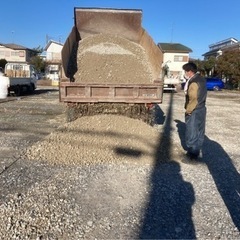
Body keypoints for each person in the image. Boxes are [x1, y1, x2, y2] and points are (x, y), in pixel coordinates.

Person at [182, 62, 207, 162]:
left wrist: (189, 110)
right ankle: (197, 151)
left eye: (186, 71)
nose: (185, 73)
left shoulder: (193, 82)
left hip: (194, 109)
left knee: (191, 132)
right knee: (200, 131)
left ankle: (191, 155)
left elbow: (193, 98)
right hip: (202, 108)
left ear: (190, 71)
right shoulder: (202, 79)